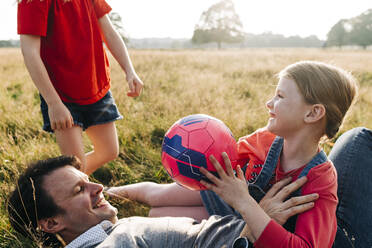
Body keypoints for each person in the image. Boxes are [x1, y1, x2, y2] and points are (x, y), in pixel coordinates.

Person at [106, 61, 358, 247]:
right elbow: (228, 160)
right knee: (156, 194)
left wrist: (243, 202)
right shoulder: (265, 140)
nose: (269, 103)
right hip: (228, 196)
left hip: (246, 221)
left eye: (280, 96)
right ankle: (105, 194)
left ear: (313, 113)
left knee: (158, 216)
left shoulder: (320, 182)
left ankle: (111, 223)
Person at [7, 155, 317, 247]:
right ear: (51, 223)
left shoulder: (113, 232)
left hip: (271, 222)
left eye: (88, 180)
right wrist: (258, 222)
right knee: (358, 140)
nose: (97, 187)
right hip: (283, 234)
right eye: (79, 190)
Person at [17, 0, 143, 175]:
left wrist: (129, 70)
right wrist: (54, 104)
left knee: (109, 151)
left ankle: (59, 182)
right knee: (77, 167)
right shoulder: (32, 2)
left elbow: (109, 32)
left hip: (97, 88)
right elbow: (30, 52)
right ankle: (66, 189)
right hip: (61, 97)